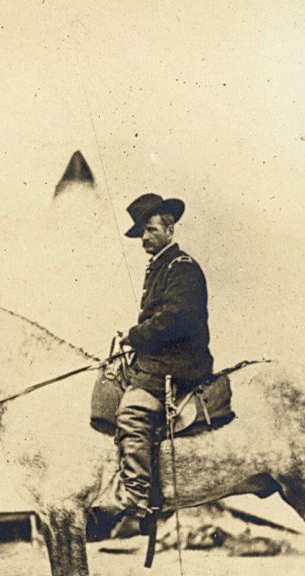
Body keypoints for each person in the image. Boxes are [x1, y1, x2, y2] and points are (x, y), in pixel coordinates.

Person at [111, 193, 213, 517]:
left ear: (169, 230)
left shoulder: (181, 267)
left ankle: (137, 497)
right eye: (142, 232)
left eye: (151, 230)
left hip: (180, 361)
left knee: (131, 411)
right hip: (161, 359)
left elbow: (176, 319)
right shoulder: (161, 266)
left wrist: (134, 336)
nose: (144, 238)